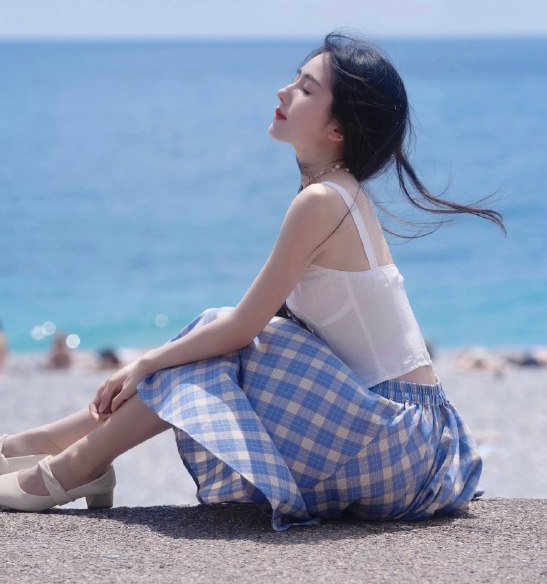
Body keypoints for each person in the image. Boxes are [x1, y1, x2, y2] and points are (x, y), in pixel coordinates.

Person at [0, 32, 505, 529]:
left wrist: (146, 361)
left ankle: (72, 465)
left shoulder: (322, 201)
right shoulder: (340, 191)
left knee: (220, 334)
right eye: (294, 80)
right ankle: (56, 449)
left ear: (337, 129)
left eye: (306, 89)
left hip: (397, 443)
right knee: (214, 342)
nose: (284, 92)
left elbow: (242, 328)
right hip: (416, 436)